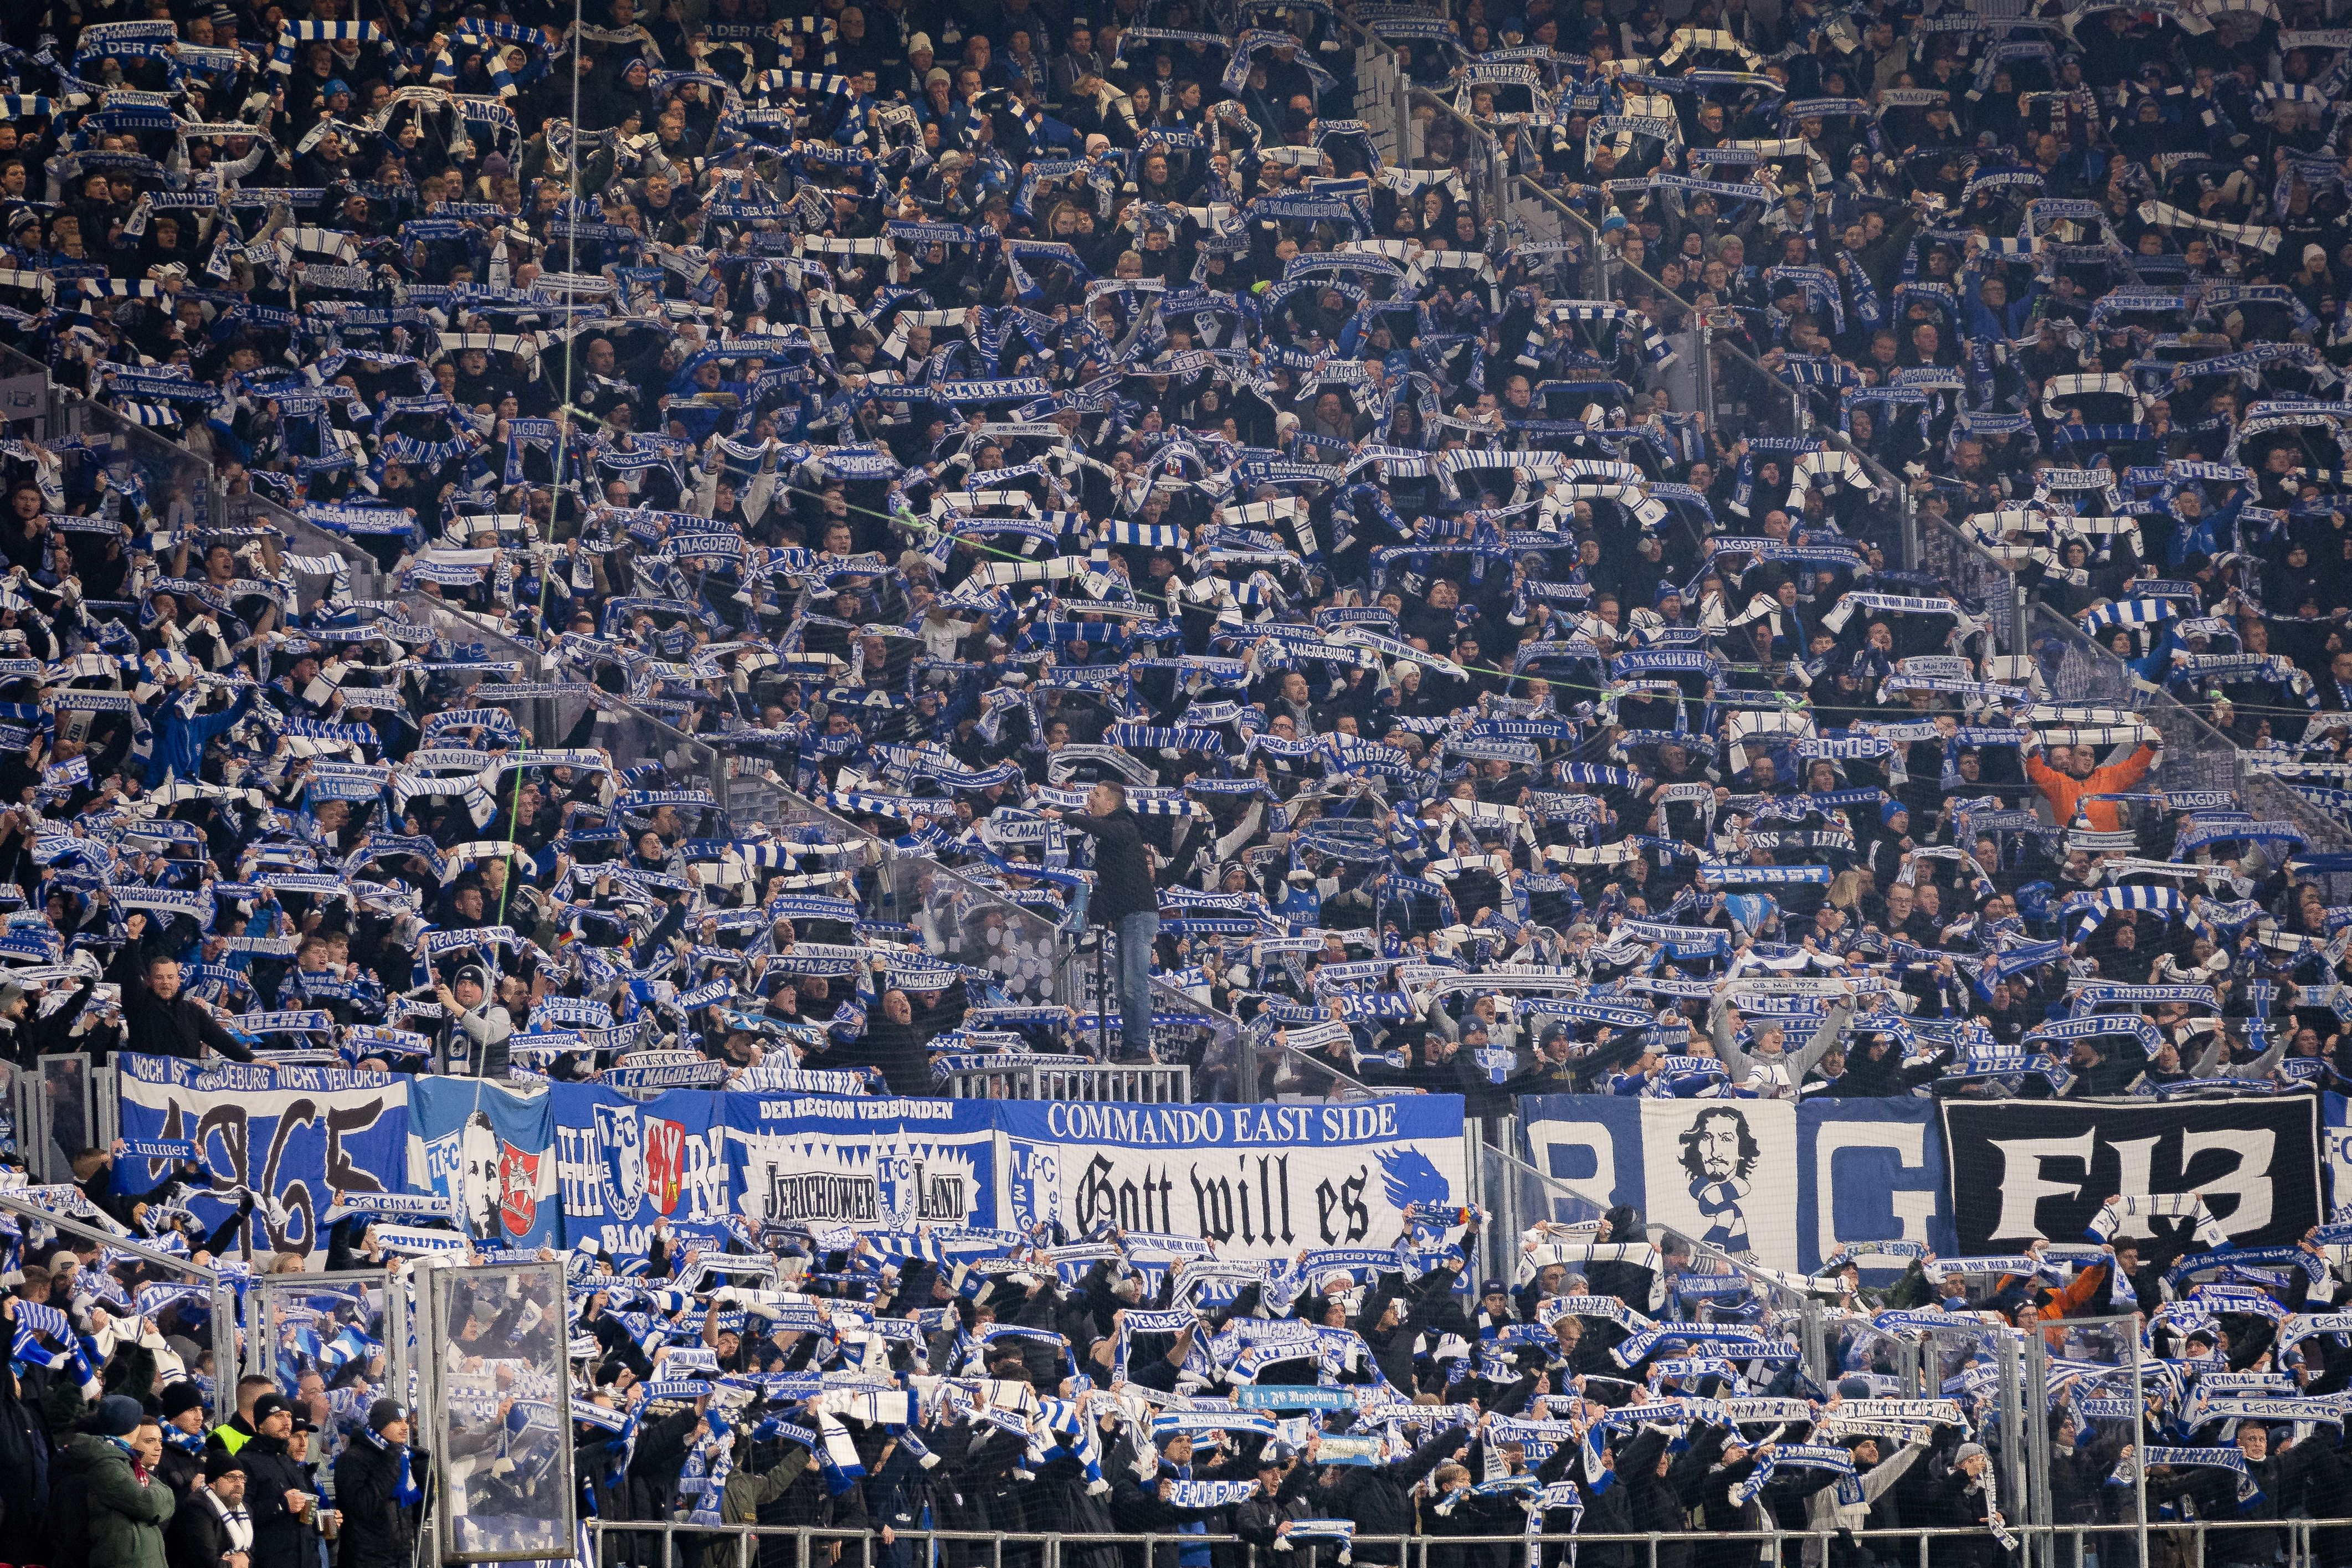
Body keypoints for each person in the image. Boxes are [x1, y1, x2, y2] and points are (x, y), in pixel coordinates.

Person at [1040, 779, 1159, 1062]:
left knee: (1134, 983)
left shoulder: (1125, 825)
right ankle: (1132, 1046)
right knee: (1123, 986)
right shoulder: (1111, 832)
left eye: (1096, 794)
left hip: (1138, 915)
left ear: (1111, 802)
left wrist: (1065, 816)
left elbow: (1099, 827)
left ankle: (1140, 1046)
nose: (1090, 797)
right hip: (1125, 917)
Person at [333, 1401, 426, 1568]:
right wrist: (389, 1462)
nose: (405, 1427)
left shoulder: (403, 1457)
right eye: (397, 1422)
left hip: (402, 1561)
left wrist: (424, 1475)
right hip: (366, 1561)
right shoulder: (353, 1459)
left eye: (406, 1421)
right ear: (380, 1424)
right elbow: (363, 1507)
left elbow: (419, 1516)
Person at [166, 1453, 252, 1568]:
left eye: (242, 1478)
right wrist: (233, 1565)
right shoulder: (197, 1508)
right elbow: (206, 1561)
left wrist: (245, 1559)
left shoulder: (244, 1509)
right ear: (212, 1483)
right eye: (231, 1478)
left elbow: (249, 1552)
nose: (239, 1484)